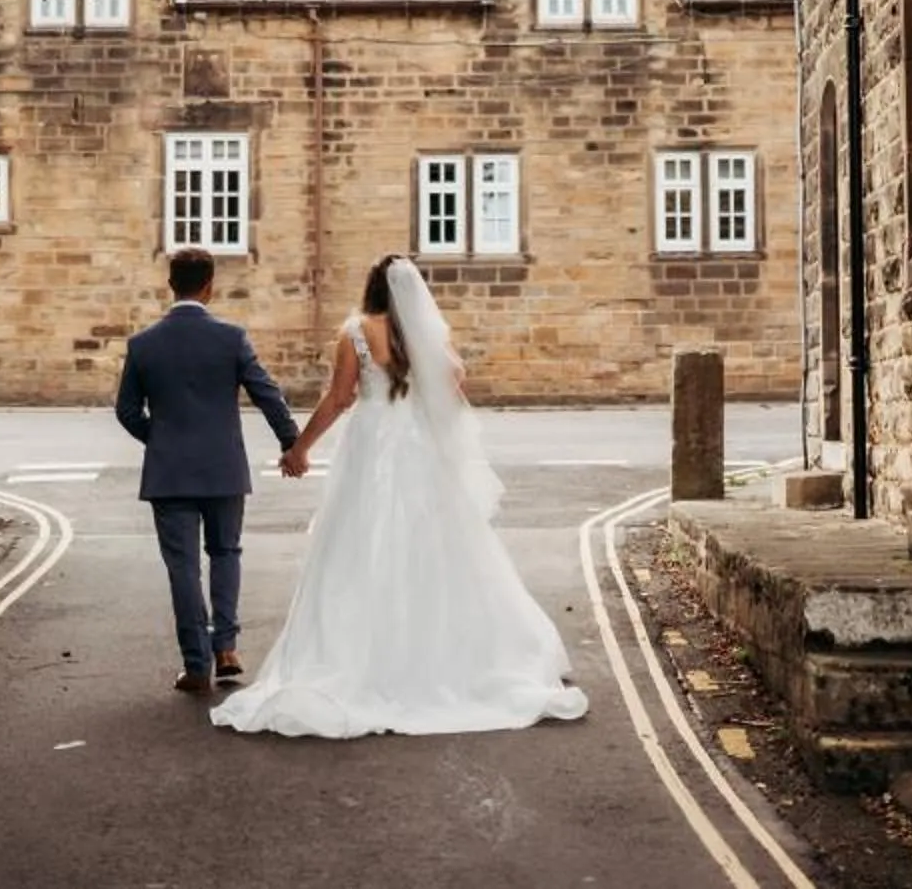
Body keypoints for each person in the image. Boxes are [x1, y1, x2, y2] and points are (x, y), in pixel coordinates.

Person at [210, 253, 590, 737]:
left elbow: (339, 399)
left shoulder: (355, 332)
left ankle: (360, 656)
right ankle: (452, 657)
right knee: (436, 547)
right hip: (419, 445)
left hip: (371, 445)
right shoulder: (426, 335)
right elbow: (452, 386)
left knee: (359, 544)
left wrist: (300, 448)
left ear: (371, 287)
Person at [114, 247, 303, 695]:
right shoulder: (231, 338)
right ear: (210, 287)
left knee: (183, 568)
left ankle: (196, 665)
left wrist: (160, 439)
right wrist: (291, 442)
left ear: (170, 285)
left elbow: (126, 411)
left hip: (169, 473)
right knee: (226, 553)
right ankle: (227, 649)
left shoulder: (143, 344)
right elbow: (266, 393)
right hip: (223, 468)